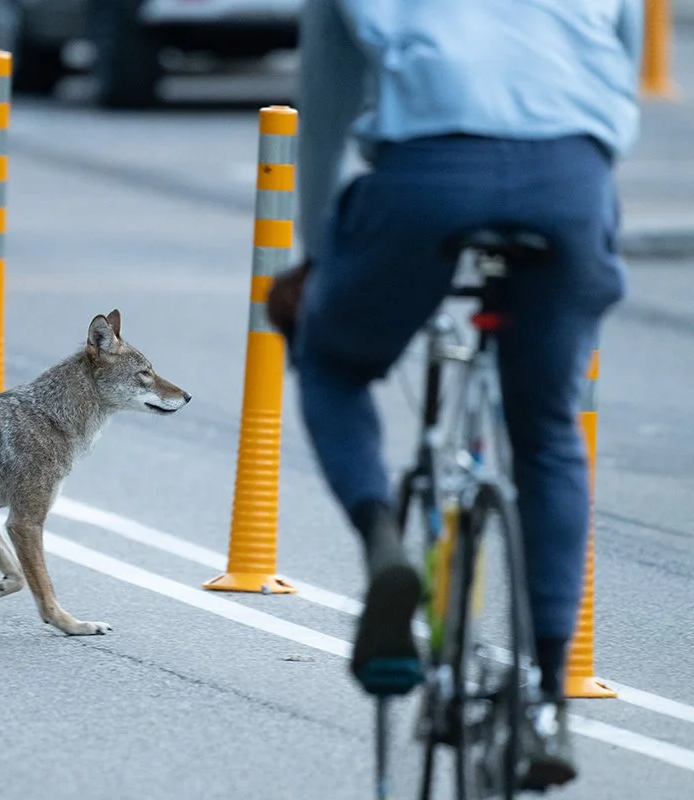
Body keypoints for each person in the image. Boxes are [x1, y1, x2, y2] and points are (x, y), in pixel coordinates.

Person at [266, 0, 642, 789]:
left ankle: (383, 545)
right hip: (568, 181)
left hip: (424, 181)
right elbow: (622, 68)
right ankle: (545, 703)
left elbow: (327, 104)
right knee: (545, 433)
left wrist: (318, 259)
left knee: (332, 365)